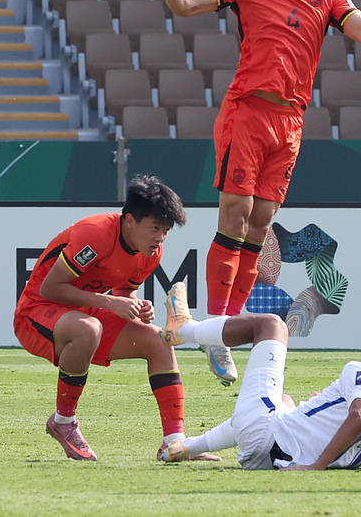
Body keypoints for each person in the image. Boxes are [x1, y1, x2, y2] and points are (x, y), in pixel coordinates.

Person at [155, 0, 361, 387]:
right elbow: (192, 4)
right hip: (247, 114)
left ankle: (224, 330)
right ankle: (216, 329)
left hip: (291, 124)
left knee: (260, 225)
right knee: (233, 215)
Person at [13, 175, 219, 462]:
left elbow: (125, 290)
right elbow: (50, 288)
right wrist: (109, 301)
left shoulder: (151, 252)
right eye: (155, 228)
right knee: (88, 328)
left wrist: (136, 306)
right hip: (36, 311)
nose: (160, 237)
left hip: (84, 315)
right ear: (130, 220)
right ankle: (63, 421)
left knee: (158, 341)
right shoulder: (95, 234)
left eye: (167, 230)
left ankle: (175, 443)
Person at [157, 282, 361, 470]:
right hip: (270, 460)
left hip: (266, 436)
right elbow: (354, 444)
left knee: (272, 325)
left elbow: (359, 418)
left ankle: (184, 330)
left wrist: (315, 468)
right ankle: (186, 447)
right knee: (283, 400)